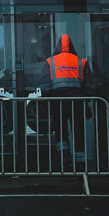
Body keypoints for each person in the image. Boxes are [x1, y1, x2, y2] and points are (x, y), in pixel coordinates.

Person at [40, 34, 94, 164]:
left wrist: (48, 98)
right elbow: (90, 85)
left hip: (57, 102)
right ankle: (80, 164)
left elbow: (44, 84)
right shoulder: (81, 62)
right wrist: (86, 100)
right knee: (78, 131)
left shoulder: (50, 62)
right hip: (77, 102)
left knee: (60, 131)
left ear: (58, 46)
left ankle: (64, 159)